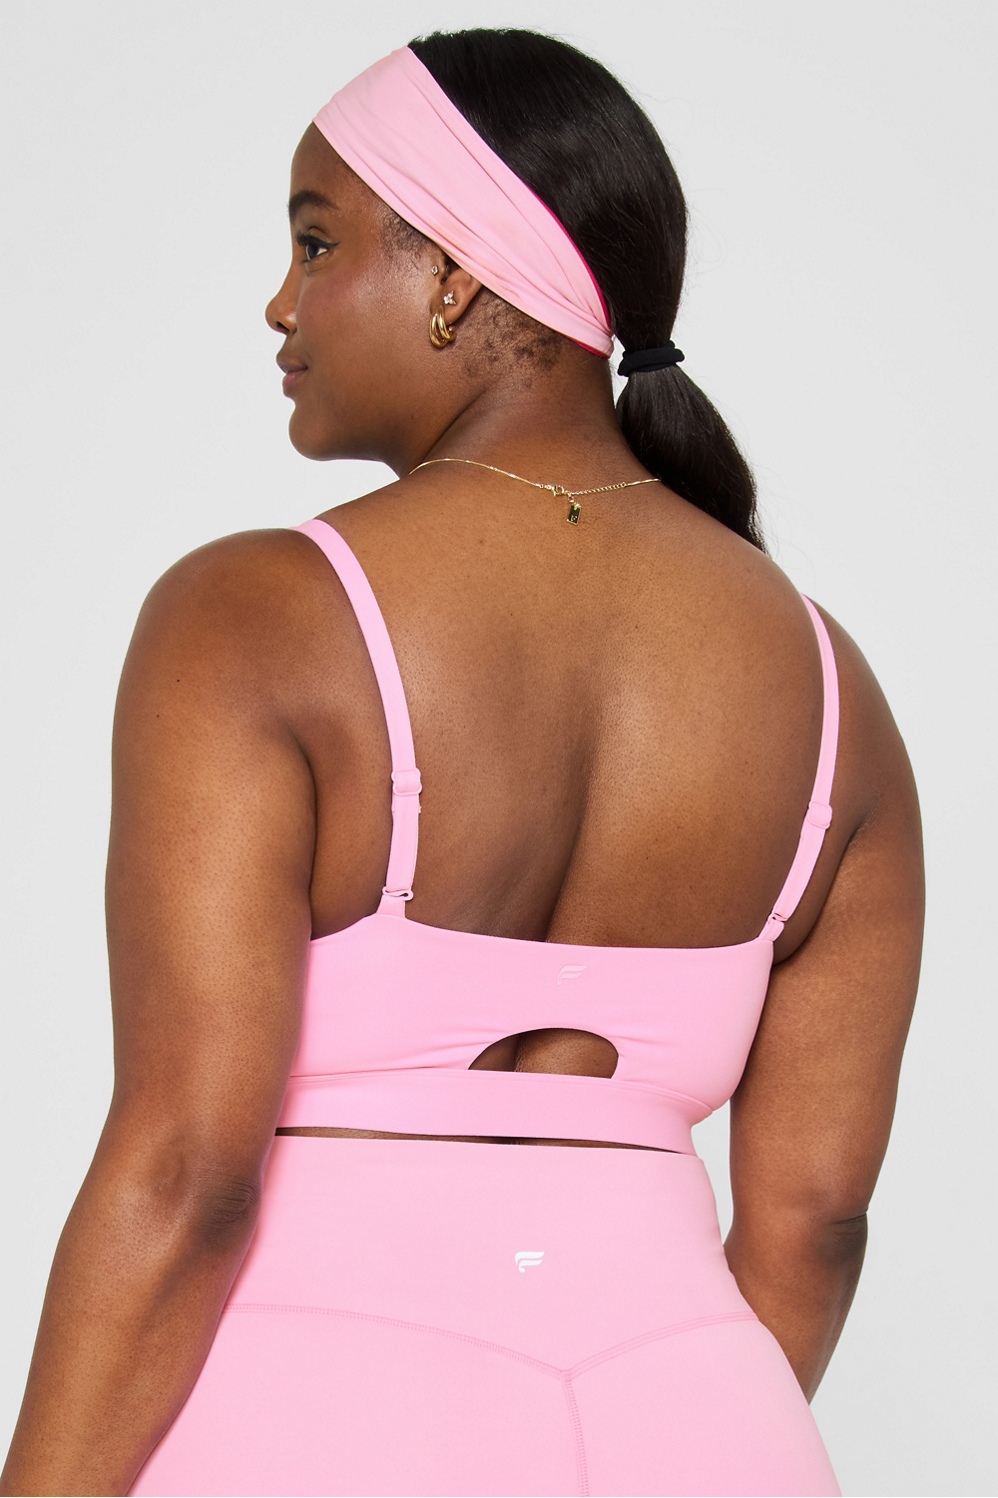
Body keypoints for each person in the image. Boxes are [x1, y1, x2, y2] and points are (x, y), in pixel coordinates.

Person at [0, 26, 924, 1498]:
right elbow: (815, 1219)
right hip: (701, 1427)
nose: (280, 301)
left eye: (316, 241)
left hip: (317, 1427)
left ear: (453, 274)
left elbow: (186, 1172)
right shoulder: (829, 688)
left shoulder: (253, 619)